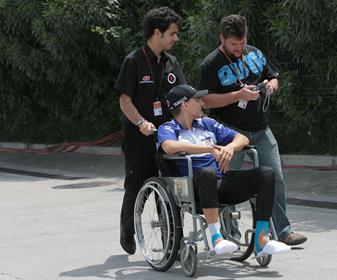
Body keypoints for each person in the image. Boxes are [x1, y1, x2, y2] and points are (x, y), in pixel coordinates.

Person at [197, 14, 307, 245]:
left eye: (242, 43)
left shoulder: (254, 53)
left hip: (260, 128)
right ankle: (229, 232)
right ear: (223, 39)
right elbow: (205, 101)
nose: (239, 48)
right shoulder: (210, 64)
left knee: (275, 177)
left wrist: (270, 86)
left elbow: (273, 76)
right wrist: (238, 95)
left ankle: (283, 231)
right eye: (234, 44)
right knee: (227, 181)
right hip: (229, 131)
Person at [158, 84, 291, 257]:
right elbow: (168, 147)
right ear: (185, 105)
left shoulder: (207, 123)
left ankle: (261, 239)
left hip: (221, 183)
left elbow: (241, 138)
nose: (203, 103)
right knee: (207, 173)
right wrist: (207, 149)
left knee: (266, 174)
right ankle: (216, 238)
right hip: (194, 189)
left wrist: (229, 148)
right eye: (198, 100)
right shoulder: (168, 128)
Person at [114, 7, 185, 255]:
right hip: (139, 138)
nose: (176, 38)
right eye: (173, 33)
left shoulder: (172, 63)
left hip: (166, 138)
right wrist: (141, 123)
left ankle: (171, 242)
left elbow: (181, 99)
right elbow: (124, 100)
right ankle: (128, 230)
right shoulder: (133, 61)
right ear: (158, 32)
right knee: (138, 186)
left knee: (169, 190)